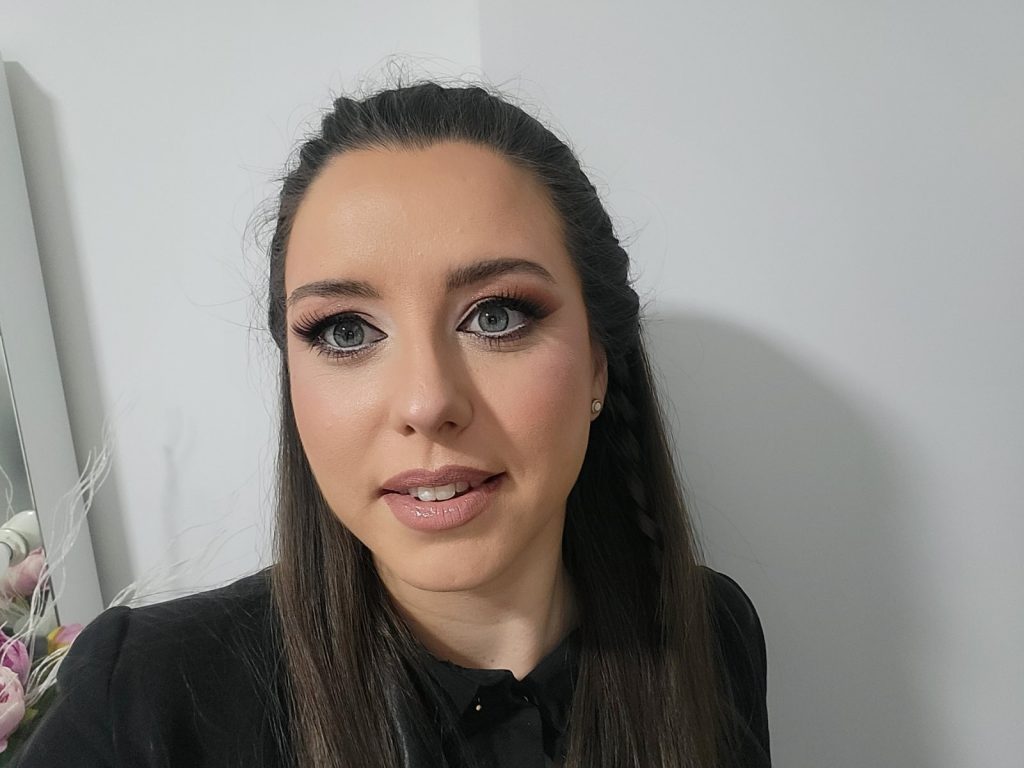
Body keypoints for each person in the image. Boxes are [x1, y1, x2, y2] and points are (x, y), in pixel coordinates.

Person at [12, 80, 770, 768]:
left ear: (598, 366)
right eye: (346, 331)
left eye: (496, 316)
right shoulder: (143, 701)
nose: (425, 402)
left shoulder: (710, 631)